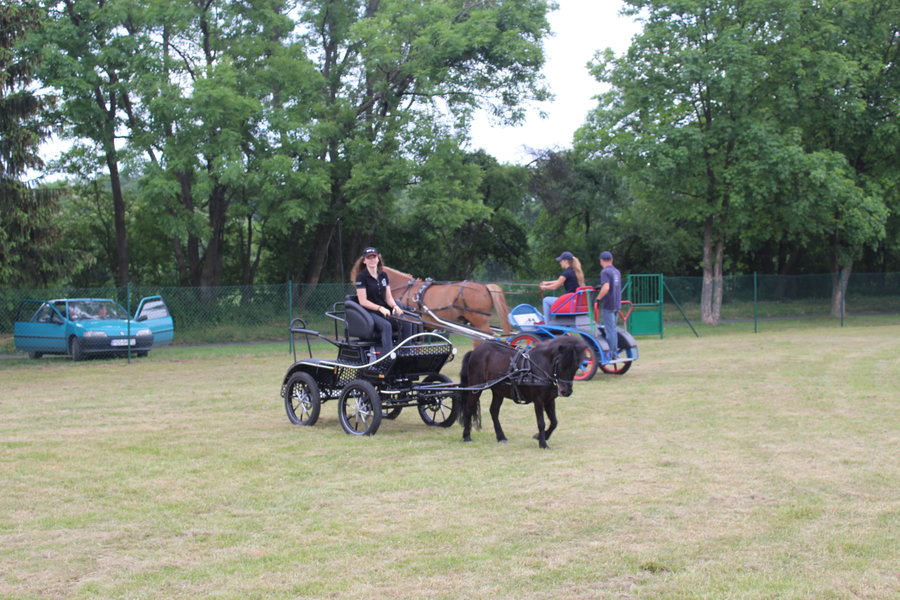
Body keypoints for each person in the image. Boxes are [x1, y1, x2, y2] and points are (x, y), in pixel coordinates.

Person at [350, 246, 408, 357]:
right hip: (368, 312)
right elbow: (363, 301)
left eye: (374, 257)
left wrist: (395, 306)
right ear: (364, 260)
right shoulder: (361, 277)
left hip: (384, 310)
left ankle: (406, 354)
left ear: (378, 259)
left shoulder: (383, 275)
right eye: (369, 258)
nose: (372, 260)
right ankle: (387, 357)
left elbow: (389, 297)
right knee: (386, 326)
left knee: (407, 322)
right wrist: (380, 308)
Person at [539, 251, 585, 322]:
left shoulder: (566, 273)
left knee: (546, 300)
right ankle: (553, 321)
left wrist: (544, 287)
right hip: (575, 301)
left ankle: (547, 322)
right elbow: (560, 282)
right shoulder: (575, 272)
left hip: (569, 302)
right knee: (550, 300)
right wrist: (546, 283)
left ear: (565, 261)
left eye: (561, 261)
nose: (560, 263)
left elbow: (555, 287)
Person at [596, 250, 622, 361]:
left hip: (608, 304)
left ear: (601, 261)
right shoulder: (616, 272)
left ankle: (611, 354)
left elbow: (606, 287)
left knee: (609, 330)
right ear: (611, 260)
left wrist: (598, 298)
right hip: (617, 304)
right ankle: (614, 352)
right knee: (613, 329)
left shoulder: (605, 272)